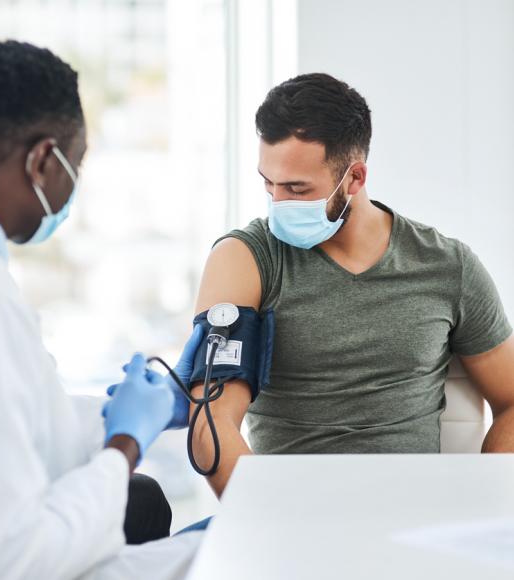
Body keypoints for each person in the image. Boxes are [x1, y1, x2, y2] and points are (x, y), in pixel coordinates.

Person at [0, 41, 203, 579]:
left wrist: (122, 415)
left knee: (152, 505)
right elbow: (9, 559)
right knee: (229, 551)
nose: (72, 188)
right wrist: (125, 442)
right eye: (75, 166)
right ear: (42, 160)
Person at [190, 72, 514, 498]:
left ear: (355, 178)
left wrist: (484, 501)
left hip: (415, 519)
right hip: (286, 517)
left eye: (297, 188)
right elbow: (209, 421)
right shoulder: (247, 259)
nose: (277, 203)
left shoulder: (448, 267)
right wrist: (265, 519)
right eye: (268, 183)